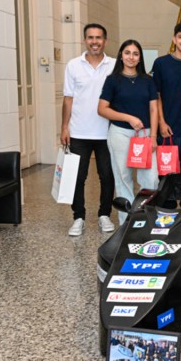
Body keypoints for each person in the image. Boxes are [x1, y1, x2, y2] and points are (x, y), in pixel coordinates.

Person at [61, 23, 116, 237]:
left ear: (105, 41)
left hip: (107, 132)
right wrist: (64, 127)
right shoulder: (73, 65)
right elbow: (68, 99)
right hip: (78, 132)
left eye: (99, 37)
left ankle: (104, 215)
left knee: (107, 176)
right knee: (78, 177)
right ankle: (78, 217)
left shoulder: (114, 65)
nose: (95, 41)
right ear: (85, 40)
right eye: (91, 37)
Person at [98, 39, 159, 224]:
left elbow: (154, 109)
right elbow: (102, 109)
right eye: (127, 53)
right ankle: (127, 223)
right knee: (123, 178)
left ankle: (146, 218)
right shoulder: (112, 80)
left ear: (140, 58)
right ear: (121, 56)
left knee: (151, 179)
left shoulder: (148, 80)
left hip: (145, 135)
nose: (131, 57)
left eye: (135, 53)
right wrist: (128, 118)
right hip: (120, 134)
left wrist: (154, 137)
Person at [152, 22, 181, 172]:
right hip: (168, 130)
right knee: (166, 180)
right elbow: (155, 95)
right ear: (174, 39)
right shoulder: (161, 63)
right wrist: (161, 122)